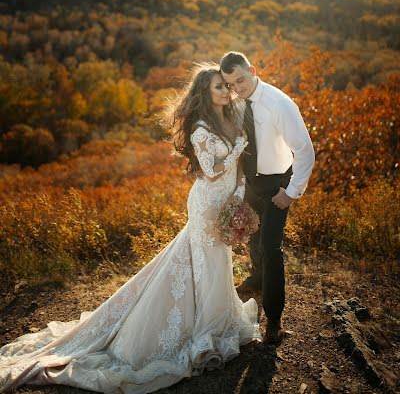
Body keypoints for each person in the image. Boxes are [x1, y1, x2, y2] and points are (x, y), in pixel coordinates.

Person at [0, 63, 260, 394]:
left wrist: (238, 198)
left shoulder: (232, 117)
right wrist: (238, 147)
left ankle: (218, 321)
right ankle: (201, 331)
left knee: (216, 261)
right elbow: (210, 171)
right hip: (205, 204)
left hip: (224, 203)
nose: (226, 91)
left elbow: (237, 170)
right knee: (204, 261)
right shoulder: (200, 127)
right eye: (219, 87)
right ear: (205, 94)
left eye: (226, 85)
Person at [220, 51, 315, 345]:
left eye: (241, 79)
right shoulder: (237, 104)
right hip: (250, 183)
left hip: (277, 186)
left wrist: (291, 192)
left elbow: (305, 150)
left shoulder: (279, 103)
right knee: (252, 237)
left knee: (271, 248)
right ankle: (257, 279)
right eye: (231, 84)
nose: (238, 87)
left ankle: (274, 319)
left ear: (252, 69)